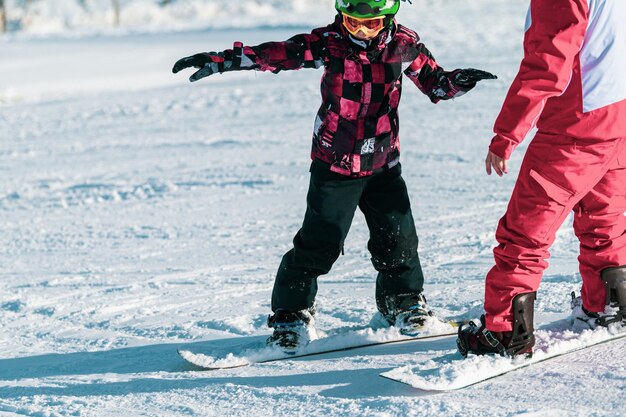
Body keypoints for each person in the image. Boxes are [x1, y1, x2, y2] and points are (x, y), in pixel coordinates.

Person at [173, 0, 496, 351]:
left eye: (369, 25)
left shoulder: (404, 44)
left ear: (388, 19)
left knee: (398, 239)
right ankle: (290, 316)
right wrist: (221, 60)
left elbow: (434, 83)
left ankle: (402, 304)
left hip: (383, 162)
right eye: (352, 23)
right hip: (335, 164)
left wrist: (457, 83)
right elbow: (277, 54)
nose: (359, 32)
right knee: (319, 243)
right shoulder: (330, 43)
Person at [458, 0, 626, 358]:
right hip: (618, 118)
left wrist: (507, 134)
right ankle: (612, 303)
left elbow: (547, 64)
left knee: (526, 231)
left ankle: (505, 332)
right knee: (604, 221)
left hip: (575, 127)